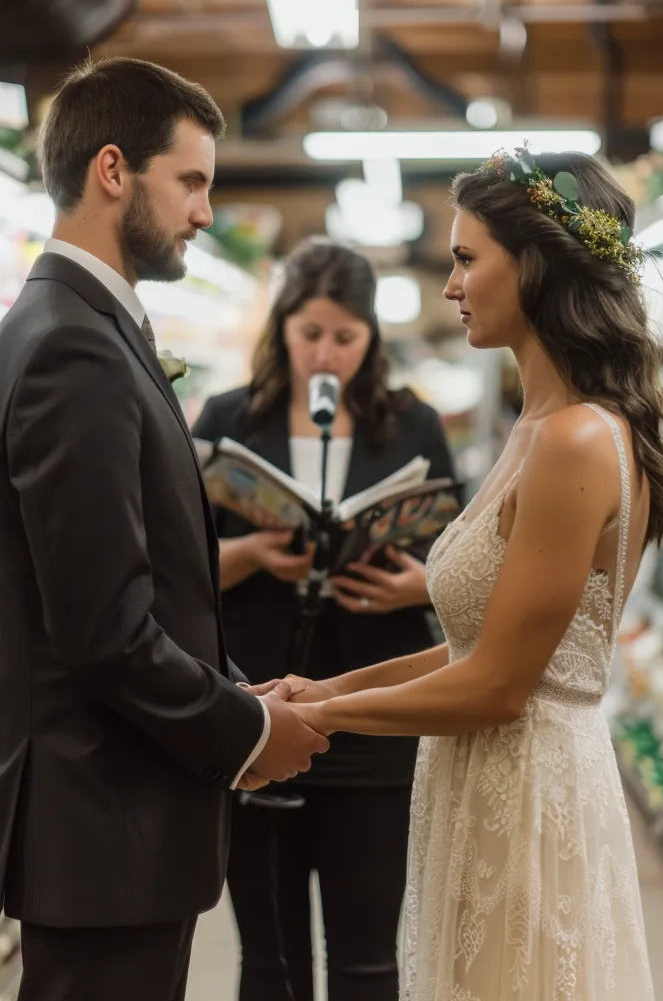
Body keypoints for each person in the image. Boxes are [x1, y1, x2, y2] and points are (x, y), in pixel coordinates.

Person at [267, 150, 663, 1000]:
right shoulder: (538, 425)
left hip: (525, 791)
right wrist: (322, 687)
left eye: (466, 259)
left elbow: (496, 687)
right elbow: (472, 645)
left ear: (533, 266)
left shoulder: (572, 441)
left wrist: (325, 719)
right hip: (489, 776)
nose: (451, 286)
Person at [0, 57, 328, 1001]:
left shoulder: (80, 326)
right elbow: (104, 630)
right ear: (114, 171)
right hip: (101, 831)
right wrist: (247, 728)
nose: (206, 212)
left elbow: (135, 584)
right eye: (194, 181)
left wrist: (235, 689)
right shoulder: (71, 346)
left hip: (112, 827)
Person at [191, 238, 455, 1001]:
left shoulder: (413, 426)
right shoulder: (227, 419)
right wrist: (248, 556)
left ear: (372, 338)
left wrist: (419, 587)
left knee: (367, 958)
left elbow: (465, 560)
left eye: (346, 337)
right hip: (259, 708)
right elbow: (173, 572)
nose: (326, 355)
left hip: (375, 717)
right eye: (310, 334)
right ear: (281, 330)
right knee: (269, 963)